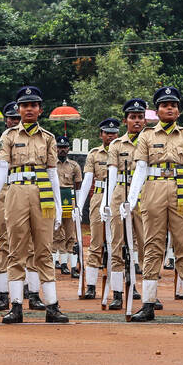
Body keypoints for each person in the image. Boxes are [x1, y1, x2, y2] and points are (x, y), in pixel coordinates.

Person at [126, 86, 183, 322]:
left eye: (173, 105)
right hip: (153, 189)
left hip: (182, 188)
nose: (169, 108)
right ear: (157, 110)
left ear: (179, 110)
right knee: (152, 246)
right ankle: (148, 304)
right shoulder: (147, 135)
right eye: (164, 105)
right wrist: (132, 199)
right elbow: (140, 168)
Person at [0, 86, 67, 323]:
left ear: (40, 110)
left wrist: (59, 205)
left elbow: (53, 174)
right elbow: (1, 169)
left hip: (43, 191)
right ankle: (16, 305)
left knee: (44, 249)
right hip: (16, 191)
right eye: (24, 105)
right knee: (16, 248)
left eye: (33, 105)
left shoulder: (49, 138)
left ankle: (52, 306)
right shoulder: (9, 136)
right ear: (19, 109)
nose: (29, 109)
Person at [102, 99, 148, 310]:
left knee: (147, 244)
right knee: (117, 244)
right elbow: (111, 175)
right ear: (125, 120)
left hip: (146, 193)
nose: (136, 121)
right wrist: (106, 202)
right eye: (132, 117)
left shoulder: (150, 140)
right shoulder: (116, 144)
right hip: (121, 191)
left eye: (139, 117)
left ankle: (147, 292)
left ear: (145, 119)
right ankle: (118, 292)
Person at [79, 118, 119, 300]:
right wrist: (79, 204)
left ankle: (123, 286)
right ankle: (91, 286)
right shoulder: (94, 154)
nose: (110, 136)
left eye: (113, 133)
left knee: (120, 242)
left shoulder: (124, 150)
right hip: (99, 195)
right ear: (101, 134)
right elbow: (87, 180)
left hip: (119, 195)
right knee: (96, 242)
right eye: (107, 133)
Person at [0, 101, 21, 308]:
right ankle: (1, 293)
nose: (14, 121)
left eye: (16, 118)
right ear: (6, 120)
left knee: (27, 244)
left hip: (24, 191)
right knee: (2, 242)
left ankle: (30, 291)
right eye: (11, 118)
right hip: (3, 194)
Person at [53, 136, 82, 276]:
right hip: (54, 201)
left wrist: (78, 205)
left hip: (69, 202)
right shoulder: (51, 164)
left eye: (64, 147)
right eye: (59, 147)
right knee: (56, 234)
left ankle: (70, 267)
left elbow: (78, 186)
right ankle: (55, 263)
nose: (62, 150)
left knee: (70, 234)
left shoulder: (74, 166)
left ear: (68, 149)